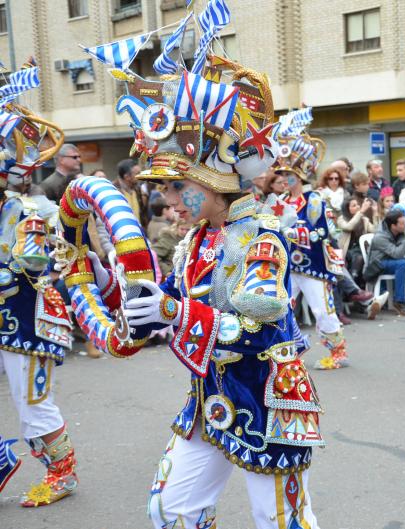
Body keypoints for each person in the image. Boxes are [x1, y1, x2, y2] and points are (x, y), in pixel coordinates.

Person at [78, 48, 322, 529]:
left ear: (210, 179)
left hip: (266, 397)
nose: (168, 202)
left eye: (175, 188)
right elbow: (159, 300)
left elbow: (259, 322)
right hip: (207, 398)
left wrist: (173, 312)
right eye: (164, 191)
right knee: (170, 509)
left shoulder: (260, 234)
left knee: (280, 522)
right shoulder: (197, 239)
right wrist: (100, 277)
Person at [0, 86, 77, 507]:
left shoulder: (25, 214)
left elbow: (24, 268)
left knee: (32, 403)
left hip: (24, 319)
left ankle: (62, 473)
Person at [276, 108, 351, 370]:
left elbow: (323, 232)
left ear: (299, 175)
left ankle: (337, 351)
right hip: (289, 265)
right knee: (281, 307)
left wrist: (293, 232)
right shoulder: (281, 201)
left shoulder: (314, 199)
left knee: (321, 310)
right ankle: (289, 348)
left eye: (288, 175)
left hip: (314, 266)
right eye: (282, 175)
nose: (283, 179)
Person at [366, 209, 405, 315]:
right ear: (393, 226)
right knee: (401, 263)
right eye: (402, 223)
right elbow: (397, 254)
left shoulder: (400, 232)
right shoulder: (380, 237)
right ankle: (399, 302)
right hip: (378, 264)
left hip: (392, 261)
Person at [338, 196, 376, 285]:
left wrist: (374, 212)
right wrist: (361, 211)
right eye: (354, 206)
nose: (358, 207)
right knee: (359, 257)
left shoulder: (364, 219)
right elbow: (348, 227)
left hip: (362, 248)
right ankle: (353, 283)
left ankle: (364, 284)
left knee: (368, 256)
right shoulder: (342, 219)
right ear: (347, 209)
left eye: (358, 205)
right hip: (347, 250)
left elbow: (376, 230)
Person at [115, 158, 148, 230]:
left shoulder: (137, 189)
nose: (140, 176)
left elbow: (142, 215)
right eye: (137, 173)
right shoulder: (113, 193)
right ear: (127, 177)